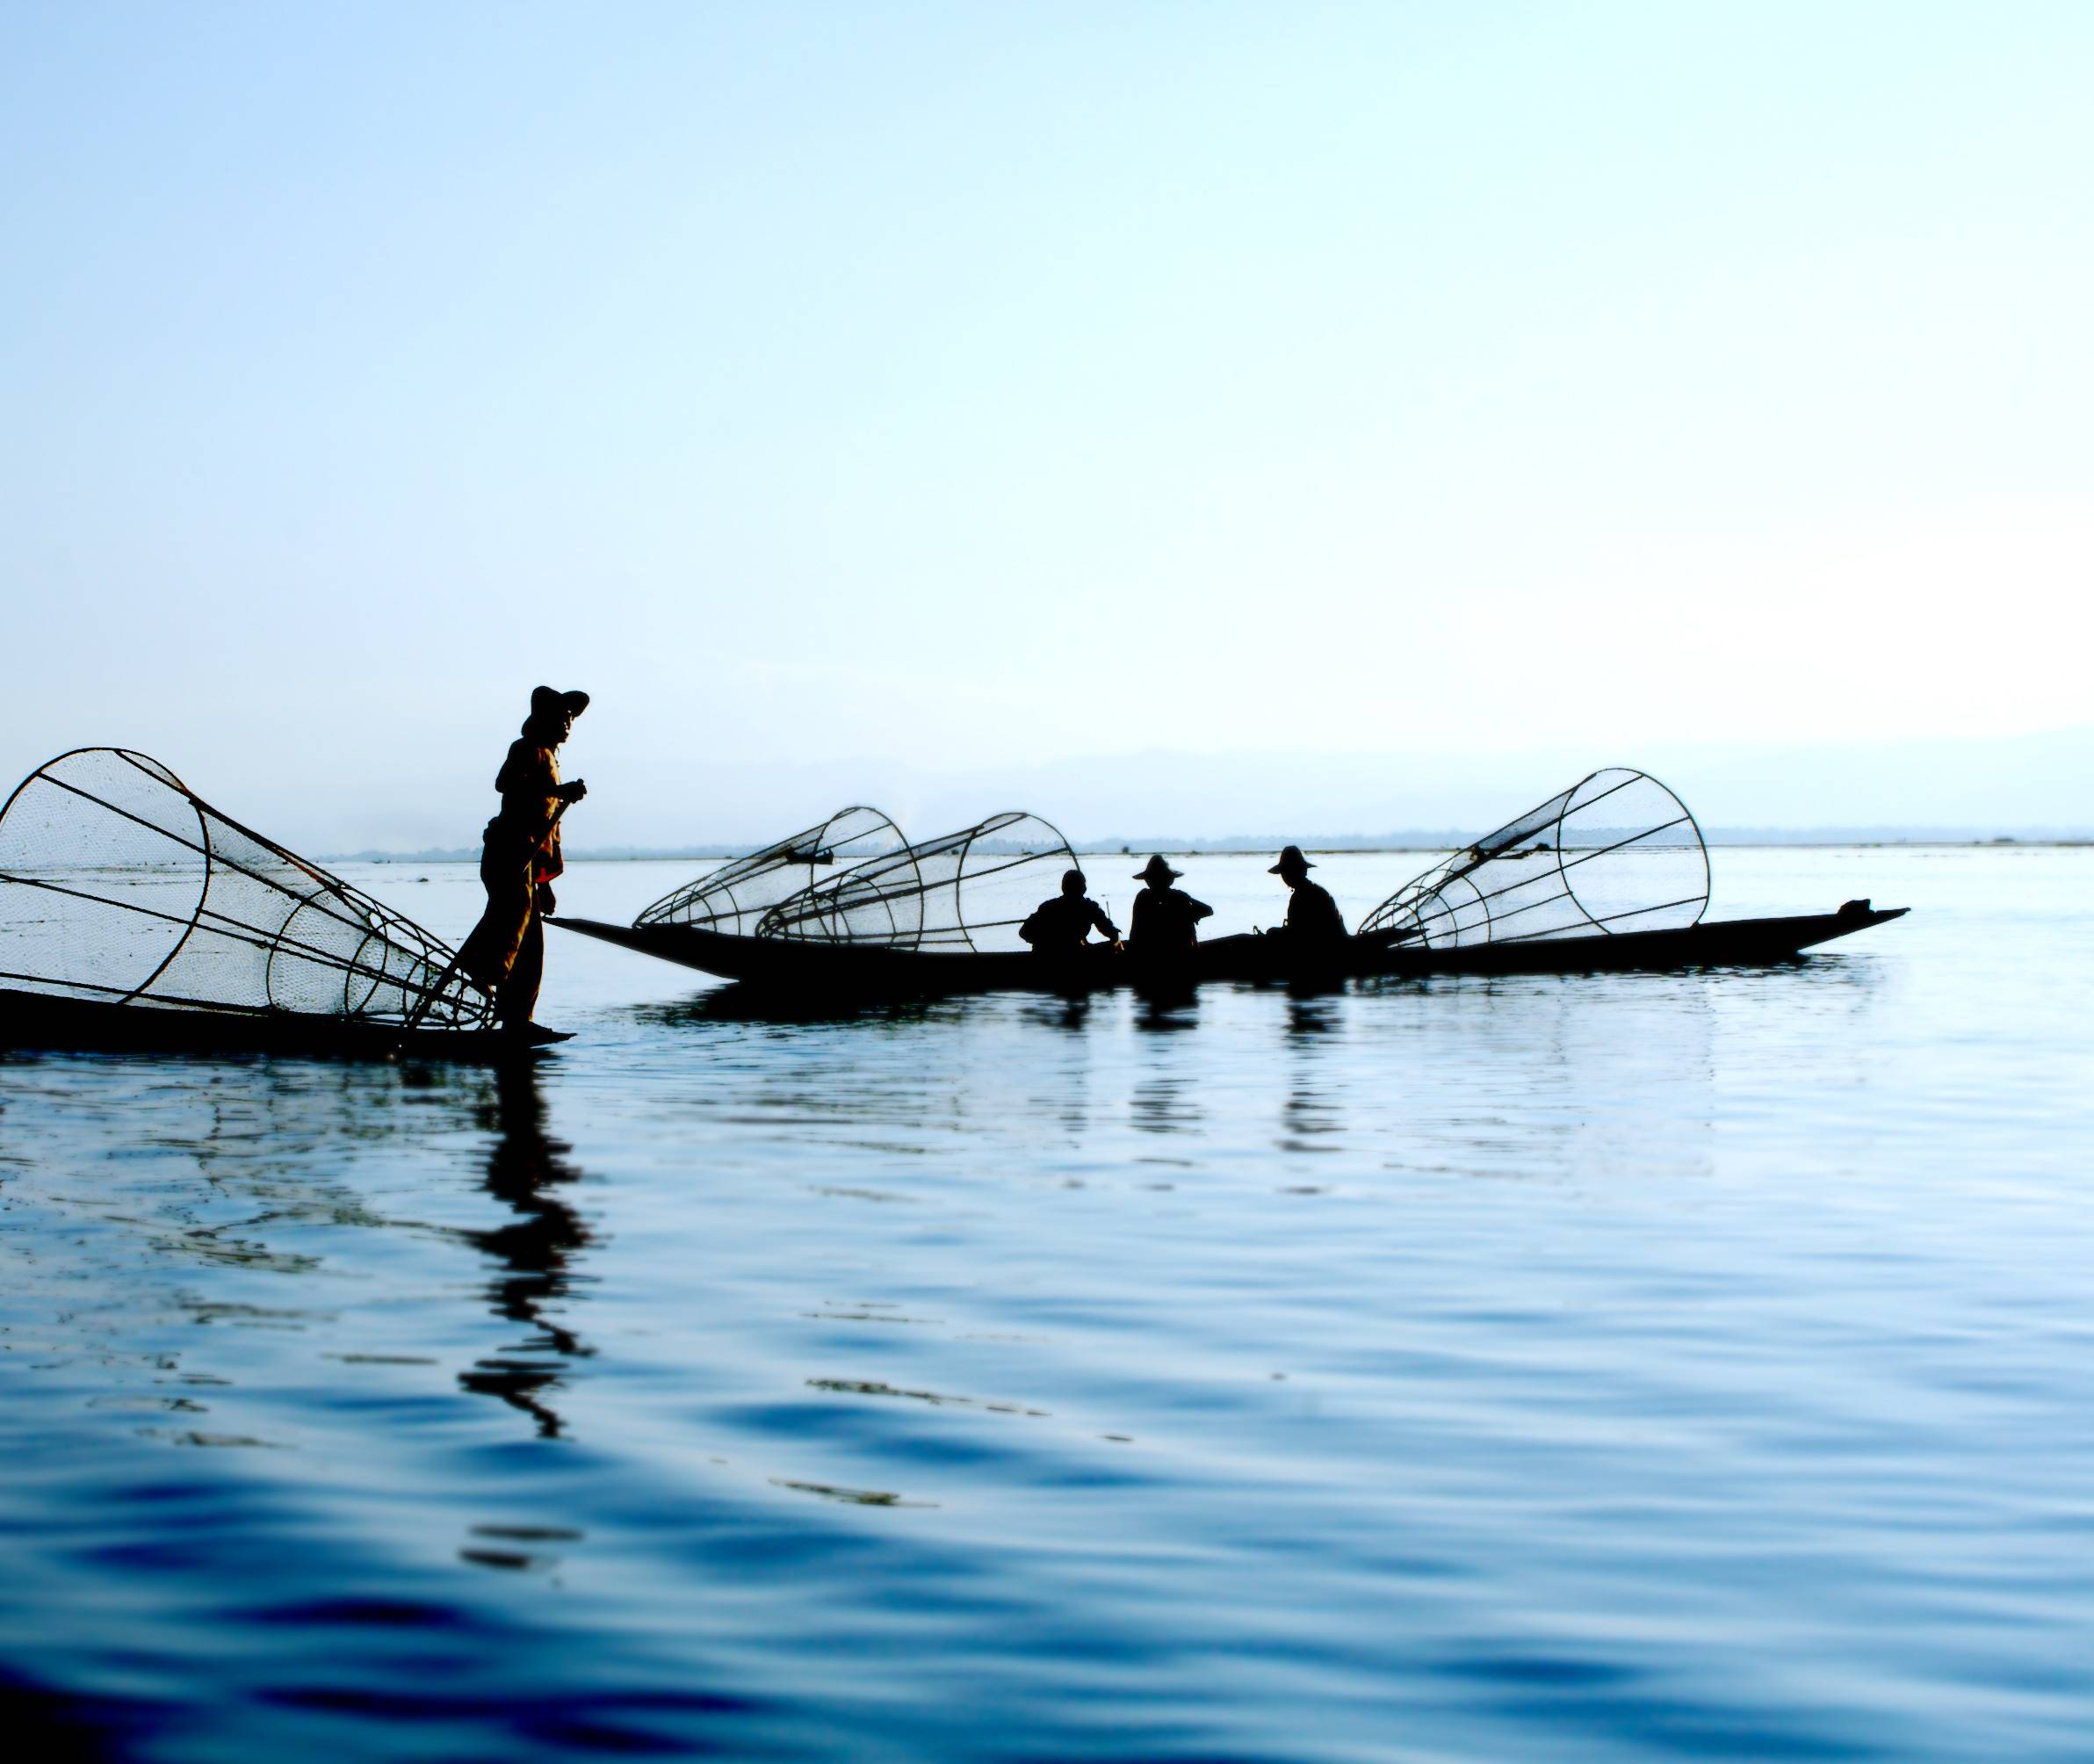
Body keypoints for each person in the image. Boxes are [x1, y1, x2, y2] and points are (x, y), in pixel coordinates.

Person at [459, 685, 589, 1030]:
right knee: (512, 913)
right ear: (541, 719)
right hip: (508, 850)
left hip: (530, 860)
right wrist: (557, 791)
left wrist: (544, 883)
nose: (567, 725)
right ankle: (481, 971)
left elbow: (548, 831)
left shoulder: (551, 757)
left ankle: (517, 1019)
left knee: (531, 944)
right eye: (561, 718)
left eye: (570, 719)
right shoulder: (527, 749)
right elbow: (506, 784)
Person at [1019, 868, 1119, 957]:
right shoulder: (1090, 908)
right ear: (1084, 888)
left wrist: (1045, 944)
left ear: (1063, 887)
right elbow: (1110, 932)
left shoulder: (1048, 907)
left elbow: (1024, 932)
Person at [1127, 855, 1212, 956]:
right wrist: (1190, 910)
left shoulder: (1144, 896)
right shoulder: (1178, 897)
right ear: (1170, 880)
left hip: (1148, 951)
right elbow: (1207, 910)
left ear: (1148, 880)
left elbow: (1135, 931)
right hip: (1178, 950)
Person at [1267, 845, 1347, 947]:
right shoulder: (1316, 891)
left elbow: (1301, 934)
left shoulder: (1303, 896)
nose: (1284, 877)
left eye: (1286, 872)